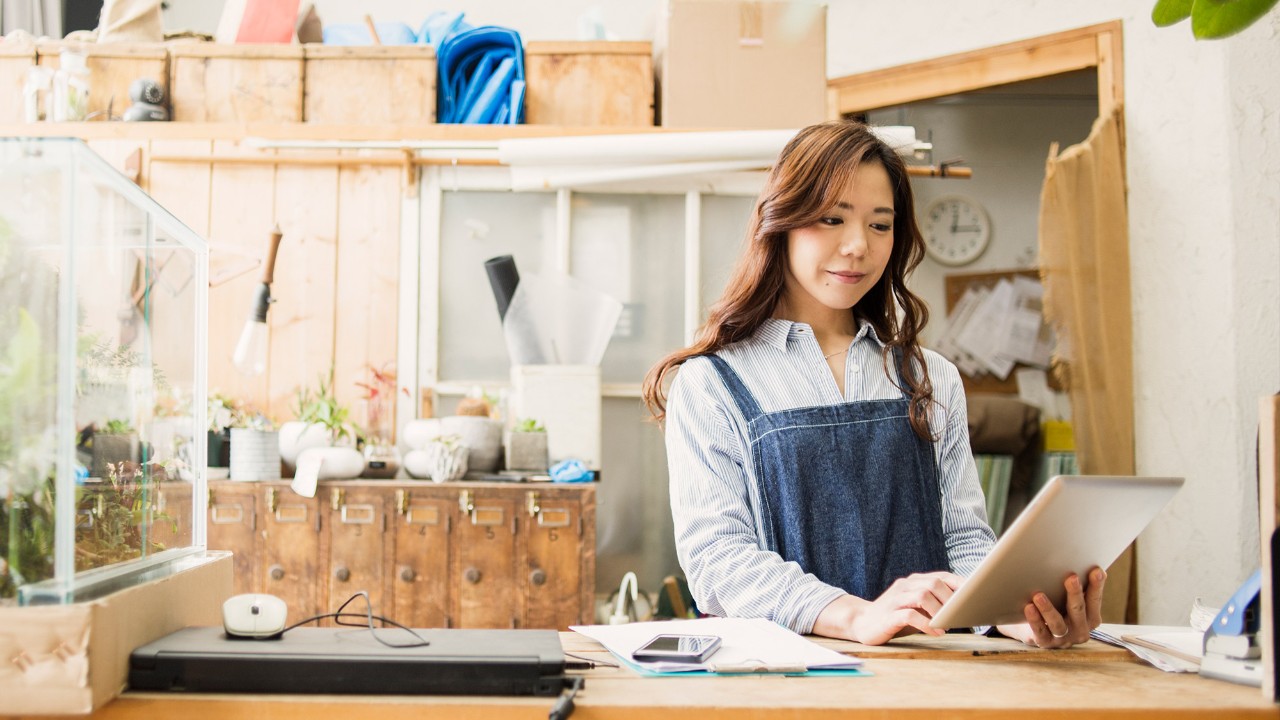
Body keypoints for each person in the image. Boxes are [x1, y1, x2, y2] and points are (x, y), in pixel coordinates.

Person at [641, 121, 1104, 647]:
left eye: (880, 225)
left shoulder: (931, 378)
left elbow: (964, 539)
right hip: (781, 681)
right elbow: (718, 562)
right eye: (832, 218)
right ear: (781, 221)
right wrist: (854, 615)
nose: (858, 245)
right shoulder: (711, 384)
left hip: (924, 676)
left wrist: (1014, 614)